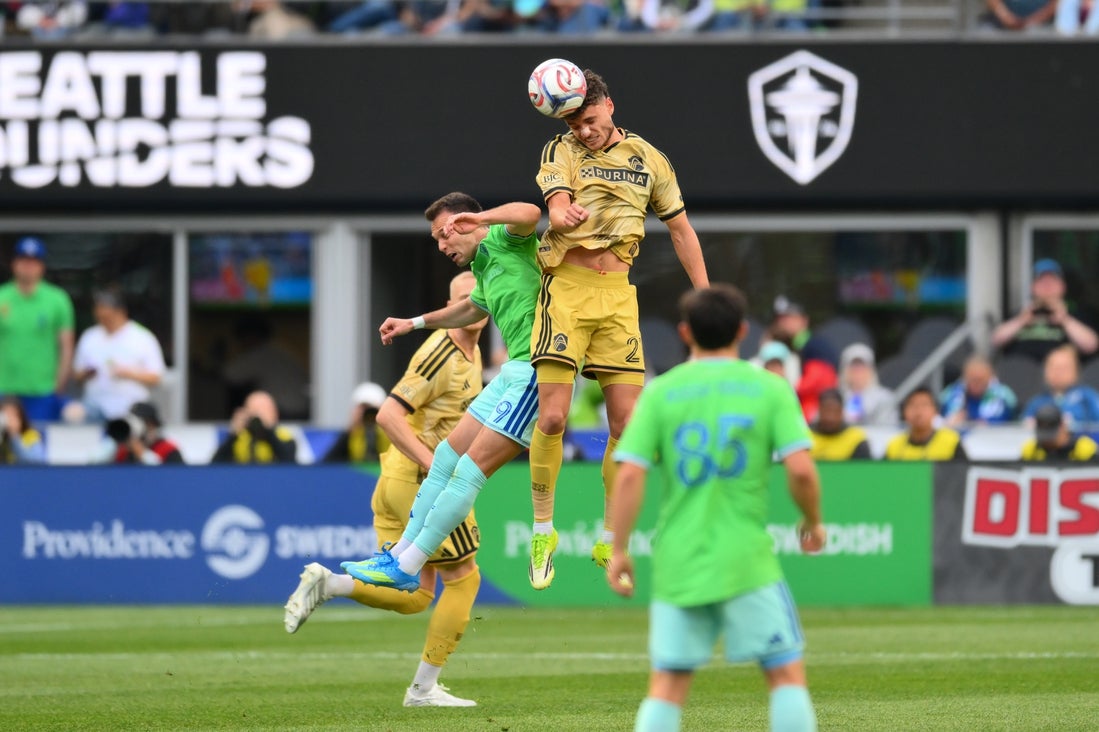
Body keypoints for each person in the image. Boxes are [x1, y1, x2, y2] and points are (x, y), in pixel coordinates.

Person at [605, 284, 824, 732]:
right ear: (743, 331)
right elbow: (801, 471)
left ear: (685, 332)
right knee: (784, 675)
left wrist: (619, 547)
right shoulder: (769, 388)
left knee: (667, 684)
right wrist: (812, 522)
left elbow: (628, 476)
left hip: (679, 559)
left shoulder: (661, 392)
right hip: (747, 560)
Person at [529, 68, 709, 587]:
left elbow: (681, 230)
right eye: (573, 123)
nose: (583, 130)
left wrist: (705, 294)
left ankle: (609, 540)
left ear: (609, 106)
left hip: (617, 297)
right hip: (566, 288)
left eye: (589, 119)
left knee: (627, 426)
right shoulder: (559, 149)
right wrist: (561, 213)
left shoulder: (650, 159)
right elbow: (556, 201)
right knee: (553, 418)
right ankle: (543, 531)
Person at [284, 270, 487, 708]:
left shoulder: (472, 352)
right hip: (419, 483)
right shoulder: (440, 353)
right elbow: (388, 416)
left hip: (396, 480)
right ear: (449, 306)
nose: (472, 306)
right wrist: (435, 467)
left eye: (478, 297)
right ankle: (423, 691)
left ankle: (329, 584)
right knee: (464, 579)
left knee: (416, 595)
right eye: (462, 298)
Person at [340, 194, 545, 594]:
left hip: (538, 369)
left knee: (468, 470)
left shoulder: (507, 238)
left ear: (464, 223)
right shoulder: (483, 265)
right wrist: (413, 323)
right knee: (447, 458)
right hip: (513, 371)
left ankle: (410, 564)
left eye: (443, 235)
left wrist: (479, 218)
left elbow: (532, 213)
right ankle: (399, 556)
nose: (440, 246)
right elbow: (471, 309)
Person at [0, 237, 75, 422]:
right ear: (14, 264)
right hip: (4, 389)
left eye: (34, 262)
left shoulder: (57, 299)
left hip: (42, 390)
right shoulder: (2, 297)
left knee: (37, 438)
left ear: (42, 267)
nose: (28, 267)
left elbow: (66, 347)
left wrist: (59, 386)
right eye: (24, 261)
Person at [71, 286, 166, 422]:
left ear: (121, 312)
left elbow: (156, 377)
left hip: (131, 409)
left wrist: (128, 373)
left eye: (107, 316)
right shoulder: (90, 336)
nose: (103, 320)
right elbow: (77, 376)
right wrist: (87, 373)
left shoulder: (142, 337)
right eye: (99, 316)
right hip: (95, 408)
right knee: (73, 413)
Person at [991, 259, 1098, 363]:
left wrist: (1065, 320)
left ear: (1063, 287)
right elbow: (996, 341)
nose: (1047, 286)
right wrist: (1020, 321)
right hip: (1020, 371)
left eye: (1052, 281)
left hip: (1059, 372)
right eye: (1041, 281)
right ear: (1032, 287)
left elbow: (1091, 346)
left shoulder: (1075, 313)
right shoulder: (1021, 313)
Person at [770, 296, 838, 424]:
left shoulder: (817, 346)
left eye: (790, 318)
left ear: (804, 320)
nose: (784, 324)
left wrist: (790, 390)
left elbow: (822, 382)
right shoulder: (782, 347)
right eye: (781, 319)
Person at [1021, 344, 1099, 430]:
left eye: (1063, 368)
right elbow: (1023, 426)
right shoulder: (1037, 402)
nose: (1057, 373)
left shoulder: (1087, 398)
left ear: (1076, 371)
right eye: (1053, 367)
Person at [210, 390, 298, 464]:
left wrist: (269, 431)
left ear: (275, 413)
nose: (257, 416)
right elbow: (215, 466)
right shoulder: (239, 436)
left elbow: (289, 463)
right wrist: (233, 435)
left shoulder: (283, 435)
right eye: (253, 410)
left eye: (263, 410)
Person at [884, 387, 967, 461]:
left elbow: (964, 470)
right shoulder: (894, 446)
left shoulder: (951, 441)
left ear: (935, 411)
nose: (918, 412)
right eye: (913, 405)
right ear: (904, 412)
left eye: (924, 405)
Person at [321, 381, 392, 463]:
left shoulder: (390, 438)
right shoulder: (348, 437)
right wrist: (352, 431)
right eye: (363, 408)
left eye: (372, 410)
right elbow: (328, 464)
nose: (368, 415)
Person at [939, 355, 1018, 427]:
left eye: (981, 380)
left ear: (990, 377)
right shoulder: (949, 395)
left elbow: (1014, 420)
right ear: (965, 377)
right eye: (973, 379)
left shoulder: (1004, 395)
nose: (977, 384)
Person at [101, 401, 184, 465]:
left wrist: (142, 453)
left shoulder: (168, 450)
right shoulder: (123, 451)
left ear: (152, 424)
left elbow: (174, 477)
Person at [839, 342, 895, 426]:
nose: (857, 372)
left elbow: (888, 427)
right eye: (853, 367)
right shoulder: (836, 397)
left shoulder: (884, 397)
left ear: (870, 370)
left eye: (862, 367)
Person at [1020, 403, 1099, 462]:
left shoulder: (1082, 447)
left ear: (1062, 426)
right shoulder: (1032, 450)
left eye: (1051, 434)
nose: (1048, 440)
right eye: (1043, 435)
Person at [811, 388, 872, 460]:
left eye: (835, 412)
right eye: (826, 411)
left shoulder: (855, 439)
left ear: (842, 412)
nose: (830, 417)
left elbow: (863, 466)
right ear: (819, 411)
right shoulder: (805, 435)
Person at [0, 396, 46, 465]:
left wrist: (14, 435)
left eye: (13, 415)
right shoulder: (2, 435)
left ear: (21, 417)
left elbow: (35, 461)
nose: (9, 420)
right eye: (6, 415)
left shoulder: (31, 435)